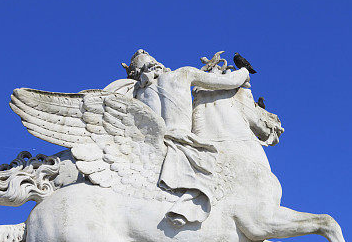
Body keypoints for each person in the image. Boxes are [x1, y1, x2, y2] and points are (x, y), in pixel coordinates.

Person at [106, 49, 250, 225]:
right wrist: (244, 72)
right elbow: (229, 82)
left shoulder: (137, 93)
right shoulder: (183, 73)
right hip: (184, 142)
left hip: (153, 145)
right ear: (159, 65)